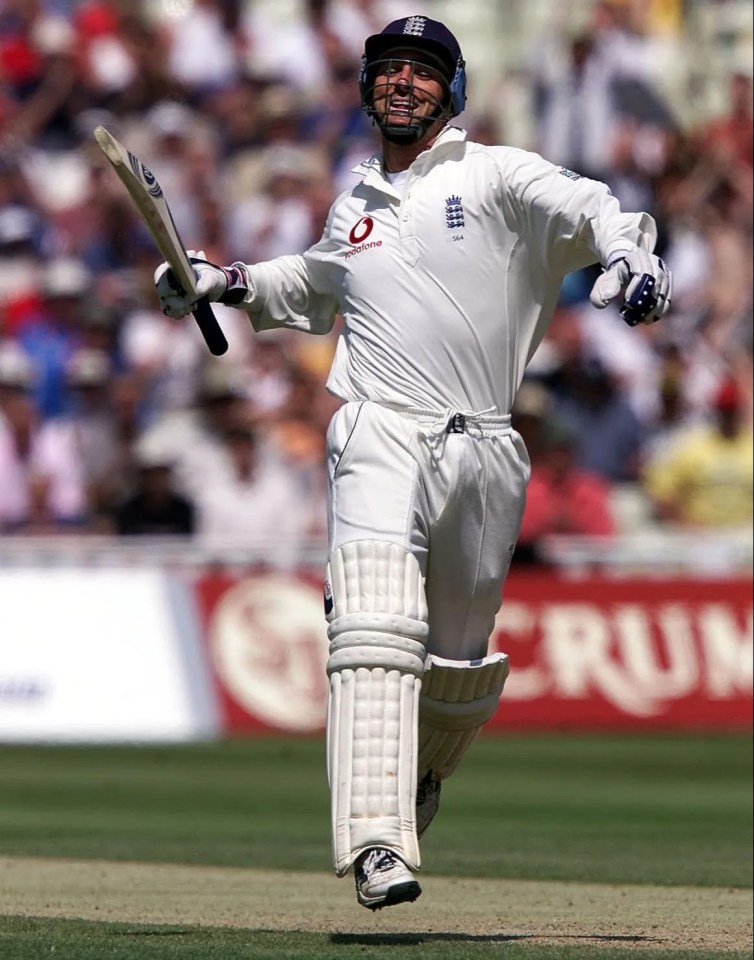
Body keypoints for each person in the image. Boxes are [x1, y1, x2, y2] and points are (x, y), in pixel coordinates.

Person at [154, 15, 672, 910]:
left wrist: (629, 255)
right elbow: (316, 287)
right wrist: (222, 280)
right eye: (388, 69)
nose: (403, 83)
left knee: (458, 664)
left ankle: (421, 776)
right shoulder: (354, 203)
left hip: (487, 447)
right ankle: (377, 846)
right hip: (379, 430)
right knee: (371, 625)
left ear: (453, 91)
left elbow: (594, 209)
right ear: (366, 87)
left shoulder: (496, 174)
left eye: (422, 73)